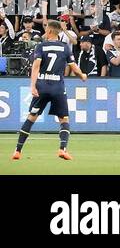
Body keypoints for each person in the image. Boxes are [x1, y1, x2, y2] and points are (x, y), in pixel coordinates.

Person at [12, 19, 88, 161]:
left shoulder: (41, 46)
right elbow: (73, 67)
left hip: (42, 86)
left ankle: (17, 151)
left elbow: (35, 66)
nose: (45, 31)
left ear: (50, 31)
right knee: (63, 119)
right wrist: (82, 75)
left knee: (31, 118)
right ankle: (62, 149)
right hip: (58, 87)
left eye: (46, 28)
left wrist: (33, 85)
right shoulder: (65, 47)